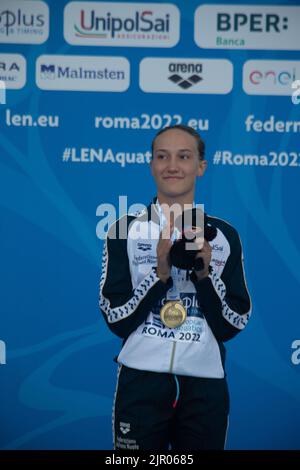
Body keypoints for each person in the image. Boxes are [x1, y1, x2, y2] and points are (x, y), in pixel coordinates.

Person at [99, 125, 251, 450]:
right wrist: (160, 274)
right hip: (142, 380)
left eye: (184, 156)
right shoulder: (123, 230)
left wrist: (205, 276)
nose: (172, 165)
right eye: (162, 156)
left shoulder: (224, 236)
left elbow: (233, 323)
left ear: (200, 166)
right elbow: (116, 319)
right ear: (151, 164)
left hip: (204, 385)